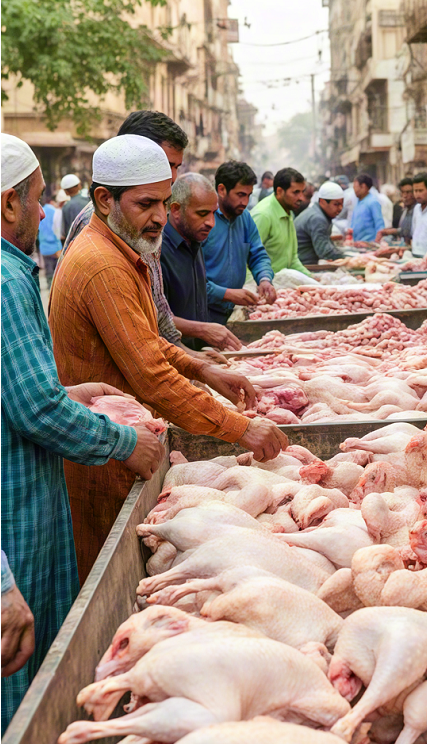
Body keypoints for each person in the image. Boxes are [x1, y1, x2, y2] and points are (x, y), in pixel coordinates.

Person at [48, 135, 288, 581]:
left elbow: (148, 342)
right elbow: (151, 375)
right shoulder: (103, 264)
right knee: (110, 575)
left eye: (163, 202)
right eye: (146, 204)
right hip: (105, 458)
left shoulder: (123, 251)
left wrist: (202, 369)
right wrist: (241, 428)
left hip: (125, 445)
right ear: (104, 200)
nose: (160, 216)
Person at [1, 134, 163, 729]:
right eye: (37, 199)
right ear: (8, 204)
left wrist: (71, 394)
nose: (46, 214)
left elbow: (21, 396)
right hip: (15, 522)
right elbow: (35, 411)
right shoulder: (10, 278)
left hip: (34, 504)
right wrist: (127, 443)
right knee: (21, 685)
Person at [57, 110, 212, 361]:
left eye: (176, 167)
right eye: (166, 164)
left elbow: (157, 307)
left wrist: (189, 358)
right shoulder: (101, 226)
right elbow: (137, 353)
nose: (172, 176)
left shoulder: (147, 217)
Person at [161, 174, 242, 352]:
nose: (211, 223)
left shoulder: (194, 240)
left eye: (213, 213)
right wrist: (203, 330)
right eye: (202, 214)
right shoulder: (158, 250)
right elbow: (155, 318)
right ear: (176, 210)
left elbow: (198, 292)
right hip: (174, 357)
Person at [202, 161, 277, 324]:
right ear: (222, 190)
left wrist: (264, 279)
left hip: (231, 310)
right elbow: (191, 279)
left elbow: (258, 255)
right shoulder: (203, 220)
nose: (245, 202)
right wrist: (226, 294)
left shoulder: (245, 218)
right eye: (240, 195)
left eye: (249, 195)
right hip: (202, 312)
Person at [250, 167, 311, 275]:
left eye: (302, 192)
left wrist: (312, 279)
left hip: (280, 282)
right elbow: (244, 260)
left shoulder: (288, 211)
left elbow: (292, 260)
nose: (301, 198)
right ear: (279, 191)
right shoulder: (263, 215)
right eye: (296, 192)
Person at [295, 181, 345, 265]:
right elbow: (325, 252)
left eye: (341, 204)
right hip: (303, 265)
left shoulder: (317, 213)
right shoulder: (317, 218)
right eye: (336, 204)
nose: (340, 208)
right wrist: (349, 259)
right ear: (322, 202)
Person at [376, 177, 415, 245]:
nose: (405, 196)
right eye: (403, 192)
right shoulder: (405, 210)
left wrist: (392, 231)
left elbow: (408, 231)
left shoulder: (417, 210)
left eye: (408, 192)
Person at [38, 192, 65, 287]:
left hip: (44, 247)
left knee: (48, 269)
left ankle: (49, 287)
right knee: (57, 270)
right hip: (56, 246)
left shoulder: (40, 212)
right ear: (52, 202)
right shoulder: (56, 212)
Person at [351, 174, 385, 244]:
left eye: (355, 187)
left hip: (369, 244)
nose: (354, 190)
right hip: (358, 243)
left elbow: (379, 223)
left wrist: (378, 240)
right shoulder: (358, 202)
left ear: (363, 186)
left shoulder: (373, 202)